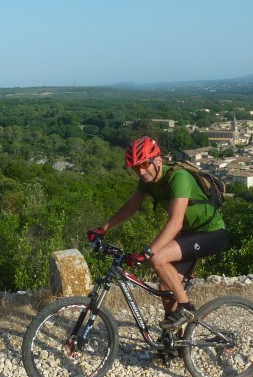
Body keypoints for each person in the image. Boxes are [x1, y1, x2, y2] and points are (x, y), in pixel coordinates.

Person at [87, 136, 228, 330]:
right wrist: (104, 228)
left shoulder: (178, 177)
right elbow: (132, 206)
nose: (141, 171)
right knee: (165, 287)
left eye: (144, 164)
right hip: (191, 234)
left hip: (211, 233)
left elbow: (175, 223)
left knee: (158, 258)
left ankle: (186, 308)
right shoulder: (148, 181)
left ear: (158, 160)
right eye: (136, 168)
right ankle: (171, 339)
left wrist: (147, 252)